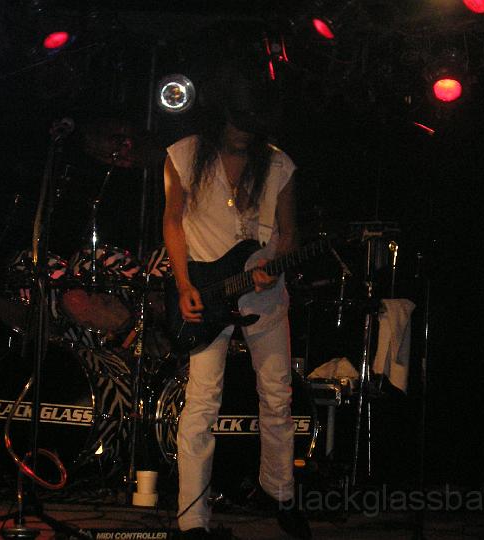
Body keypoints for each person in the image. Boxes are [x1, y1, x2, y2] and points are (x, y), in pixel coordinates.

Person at [162, 62, 311, 540]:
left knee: (277, 395)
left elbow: (289, 232)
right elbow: (172, 221)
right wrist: (183, 284)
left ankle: (281, 494)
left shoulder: (279, 165)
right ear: (220, 115)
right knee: (202, 400)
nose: (244, 133)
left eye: (252, 125)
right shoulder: (184, 155)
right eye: (238, 122)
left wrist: (275, 266)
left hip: (262, 292)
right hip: (206, 291)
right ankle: (192, 517)